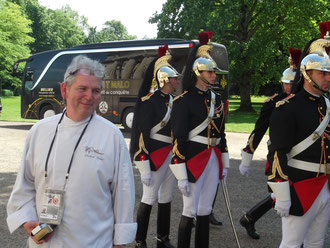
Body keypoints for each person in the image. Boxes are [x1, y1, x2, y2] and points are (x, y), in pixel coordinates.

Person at [6, 55, 137, 248]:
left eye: (96, 90)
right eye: (82, 89)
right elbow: (24, 185)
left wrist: (120, 243)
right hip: (45, 244)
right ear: (64, 90)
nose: (89, 96)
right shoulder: (39, 131)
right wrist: (27, 221)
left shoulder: (111, 136)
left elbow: (123, 195)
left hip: (93, 242)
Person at [266, 36, 330, 248]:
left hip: (325, 185)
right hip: (300, 186)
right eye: (323, 73)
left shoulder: (327, 105)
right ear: (307, 73)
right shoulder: (287, 107)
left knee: (317, 242)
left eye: (329, 73)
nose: (328, 78)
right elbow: (277, 153)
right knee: (292, 244)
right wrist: (282, 193)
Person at [169, 31, 229, 248]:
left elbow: (221, 133)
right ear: (198, 72)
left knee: (205, 210)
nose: (214, 76)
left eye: (214, 72)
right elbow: (179, 138)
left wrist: (225, 160)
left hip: (213, 157)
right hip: (193, 159)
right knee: (189, 210)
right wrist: (180, 171)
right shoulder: (183, 101)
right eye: (210, 72)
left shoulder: (217, 99)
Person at [238, 47, 301, 239]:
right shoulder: (274, 102)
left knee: (286, 196)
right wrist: (247, 156)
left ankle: (250, 218)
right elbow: (258, 130)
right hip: (279, 155)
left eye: (291, 83)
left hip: (302, 156)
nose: (288, 87)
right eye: (285, 83)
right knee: (282, 195)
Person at [130, 45, 181, 248]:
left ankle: (163, 238)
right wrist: (143, 164)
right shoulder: (148, 102)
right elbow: (141, 134)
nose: (177, 81)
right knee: (149, 198)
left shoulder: (174, 101)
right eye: (174, 78)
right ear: (164, 80)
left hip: (170, 154)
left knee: (166, 197)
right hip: (154, 156)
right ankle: (140, 240)